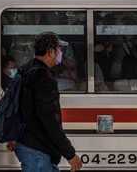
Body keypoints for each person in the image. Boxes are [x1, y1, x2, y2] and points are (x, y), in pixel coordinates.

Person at [6, 31, 82, 172]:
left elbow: (16, 105)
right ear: (51, 51)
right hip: (37, 150)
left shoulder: (26, 68)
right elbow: (49, 119)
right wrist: (70, 154)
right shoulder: (43, 77)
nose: (60, 53)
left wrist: (12, 135)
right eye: (59, 50)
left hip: (29, 145)